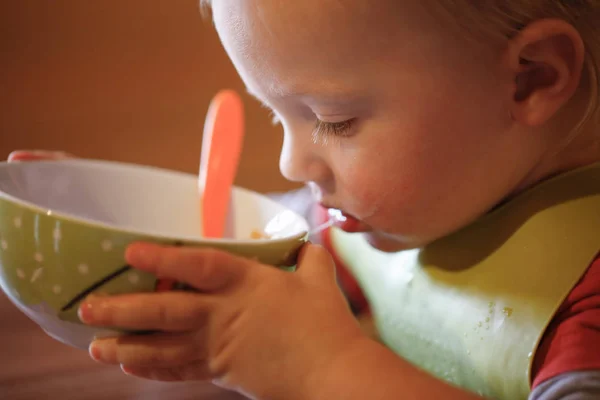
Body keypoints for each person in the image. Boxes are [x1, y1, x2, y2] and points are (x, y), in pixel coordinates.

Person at [8, 0, 600, 399]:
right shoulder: (389, 209)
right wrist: (109, 214)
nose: (293, 162)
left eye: (333, 120)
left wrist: (322, 369)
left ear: (532, 79)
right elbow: (255, 241)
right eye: (275, 114)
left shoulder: (585, 306)